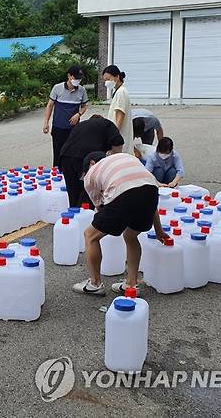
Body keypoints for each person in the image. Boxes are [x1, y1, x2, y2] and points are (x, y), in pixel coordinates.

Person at [73, 152, 168, 296]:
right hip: (151, 190)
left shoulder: (90, 174)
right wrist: (159, 230)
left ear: (91, 163)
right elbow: (150, 202)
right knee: (130, 235)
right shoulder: (125, 157)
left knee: (90, 235)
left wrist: (106, 225)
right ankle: (131, 284)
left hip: (124, 193)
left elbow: (100, 209)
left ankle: (95, 284)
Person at [59, 114, 124, 207]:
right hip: (83, 157)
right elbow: (118, 144)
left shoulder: (83, 125)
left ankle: (74, 214)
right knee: (88, 190)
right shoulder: (108, 124)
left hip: (65, 156)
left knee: (73, 190)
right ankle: (87, 215)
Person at [42, 65, 89, 168]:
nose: (77, 80)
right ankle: (57, 175)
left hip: (74, 128)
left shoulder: (82, 90)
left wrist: (79, 114)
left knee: (72, 153)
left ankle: (71, 175)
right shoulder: (57, 88)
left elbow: (84, 106)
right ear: (69, 76)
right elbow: (50, 105)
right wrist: (46, 122)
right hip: (59, 127)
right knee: (58, 153)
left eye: (79, 78)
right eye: (75, 78)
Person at [102, 65, 133, 155]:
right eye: (105, 80)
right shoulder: (119, 92)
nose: (106, 82)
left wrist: (114, 135)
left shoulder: (121, 92)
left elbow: (120, 115)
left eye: (108, 79)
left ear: (117, 77)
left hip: (119, 136)